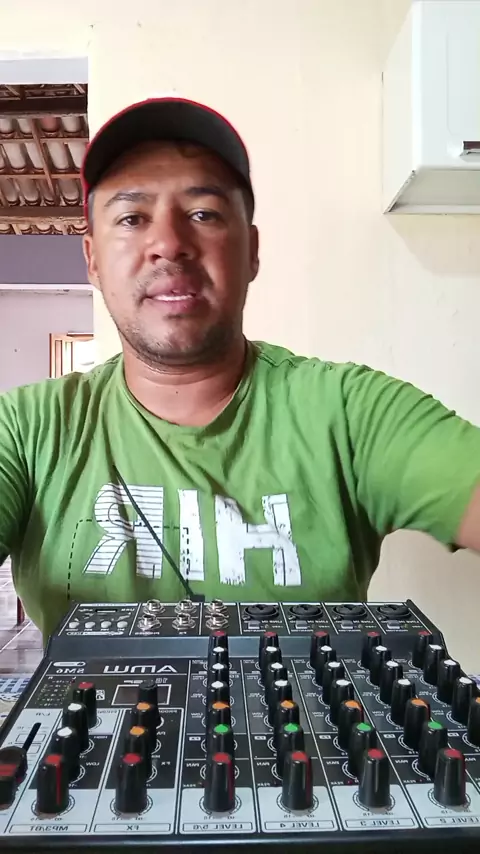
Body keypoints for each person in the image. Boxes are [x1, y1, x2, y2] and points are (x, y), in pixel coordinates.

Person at [0, 97, 479, 643]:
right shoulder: (26, 428)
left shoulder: (349, 411)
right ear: (92, 259)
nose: (169, 244)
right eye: (132, 218)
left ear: (251, 251)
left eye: (203, 214)